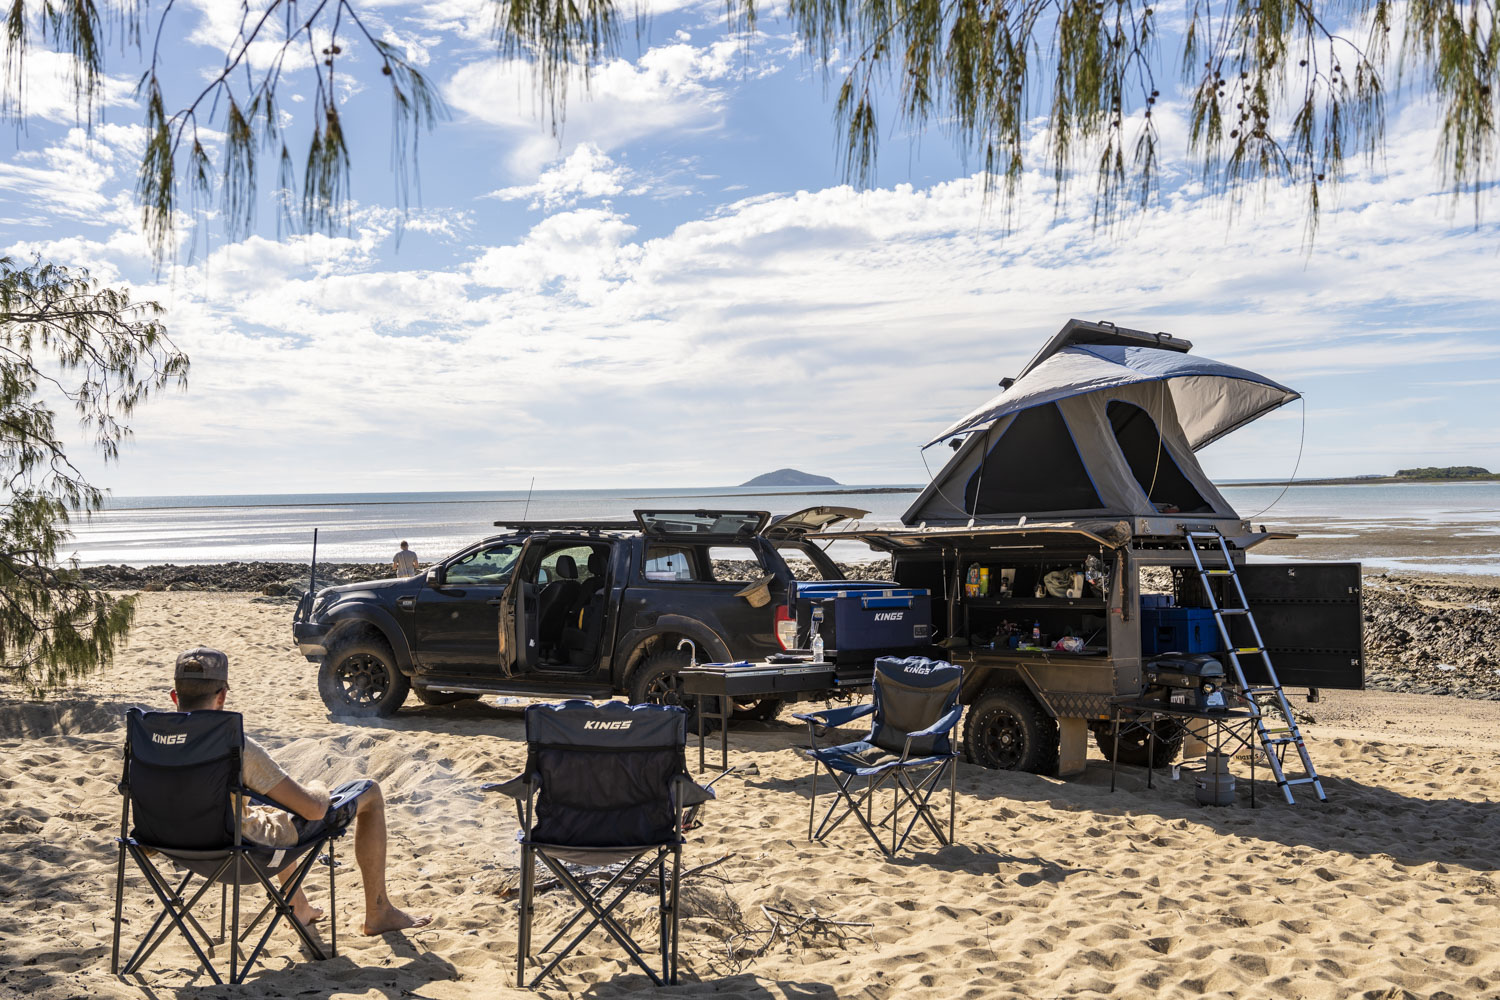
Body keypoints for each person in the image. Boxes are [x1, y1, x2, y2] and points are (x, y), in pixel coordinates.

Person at [169, 647, 431, 936]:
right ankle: (379, 913)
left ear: (174, 697)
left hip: (176, 845)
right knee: (369, 793)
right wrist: (318, 787)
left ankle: (299, 906)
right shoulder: (235, 745)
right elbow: (314, 810)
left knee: (257, 801)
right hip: (241, 852)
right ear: (222, 698)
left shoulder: (151, 740)